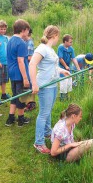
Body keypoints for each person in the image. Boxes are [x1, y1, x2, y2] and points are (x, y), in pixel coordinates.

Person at [29, 25, 70, 154]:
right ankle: (39, 142)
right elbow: (32, 64)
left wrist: (62, 70)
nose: (58, 38)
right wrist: (34, 84)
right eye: (58, 36)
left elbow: (53, 67)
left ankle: (47, 133)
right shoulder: (42, 49)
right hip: (44, 85)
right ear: (54, 36)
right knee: (43, 114)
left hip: (53, 84)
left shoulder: (50, 50)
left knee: (48, 111)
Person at [5, 19, 31, 127]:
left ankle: (10, 118)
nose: (28, 33)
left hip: (11, 72)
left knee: (15, 95)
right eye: (28, 31)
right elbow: (21, 61)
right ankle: (21, 119)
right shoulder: (21, 43)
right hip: (19, 74)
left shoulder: (10, 40)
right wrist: (25, 78)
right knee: (22, 97)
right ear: (24, 30)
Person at [57, 34, 80, 101]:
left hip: (69, 67)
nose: (71, 43)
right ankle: (62, 97)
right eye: (70, 42)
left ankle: (67, 97)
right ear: (65, 42)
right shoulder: (60, 47)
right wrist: (65, 66)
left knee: (69, 82)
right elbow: (60, 58)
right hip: (61, 67)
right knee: (64, 82)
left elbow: (73, 58)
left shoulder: (71, 49)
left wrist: (78, 67)